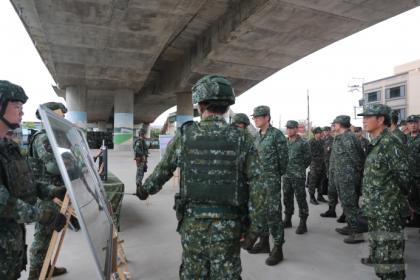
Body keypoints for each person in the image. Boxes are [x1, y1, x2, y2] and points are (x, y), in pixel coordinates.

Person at [137, 75, 263, 278]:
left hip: (193, 225)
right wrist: (255, 229)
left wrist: (145, 190)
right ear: (227, 104)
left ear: (201, 104)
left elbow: (163, 171)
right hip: (230, 228)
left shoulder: (185, 136)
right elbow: (259, 185)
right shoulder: (242, 139)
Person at [0, 81, 66, 280]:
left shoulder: (8, 146)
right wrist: (43, 215)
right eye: (17, 107)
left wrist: (51, 190)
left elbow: (25, 184)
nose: (21, 113)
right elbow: (4, 203)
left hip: (10, 250)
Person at [358, 104, 409, 280]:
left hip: (388, 213)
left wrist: (391, 199)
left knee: (391, 261)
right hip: (375, 210)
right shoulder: (376, 142)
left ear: (381, 120)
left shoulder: (390, 142)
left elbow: (405, 178)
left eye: (368, 117)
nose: (363, 120)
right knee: (381, 257)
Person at [27, 102, 69, 279]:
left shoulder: (54, 137)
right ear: (49, 116)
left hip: (54, 192)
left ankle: (48, 267)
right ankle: (35, 275)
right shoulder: (43, 138)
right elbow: (53, 166)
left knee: (51, 234)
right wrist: (73, 161)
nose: (63, 119)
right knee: (42, 238)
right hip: (46, 195)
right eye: (60, 115)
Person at [244, 105, 288, 265]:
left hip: (271, 182)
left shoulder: (277, 135)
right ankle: (264, 243)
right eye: (254, 117)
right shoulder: (256, 137)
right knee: (259, 213)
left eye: (258, 117)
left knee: (273, 214)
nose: (255, 119)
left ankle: (278, 248)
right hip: (257, 183)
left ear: (267, 118)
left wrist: (274, 175)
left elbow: (284, 161)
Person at [324, 115, 365, 244]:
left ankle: (357, 232)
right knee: (346, 204)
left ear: (340, 124)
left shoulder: (348, 138)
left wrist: (354, 176)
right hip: (341, 177)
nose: (333, 126)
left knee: (351, 205)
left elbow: (358, 159)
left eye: (335, 124)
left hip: (348, 178)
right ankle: (350, 226)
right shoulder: (340, 137)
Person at [283, 120, 311, 234]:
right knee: (286, 198)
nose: (288, 130)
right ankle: (288, 219)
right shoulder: (284, 142)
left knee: (301, 199)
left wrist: (299, 168)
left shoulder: (303, 143)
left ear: (296, 129)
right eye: (287, 128)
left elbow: (308, 159)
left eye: (291, 128)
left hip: (298, 176)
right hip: (286, 175)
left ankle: (303, 223)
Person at [406, 115, 420, 226]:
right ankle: (415, 219)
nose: (413, 125)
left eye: (415, 122)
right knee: (412, 199)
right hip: (409, 175)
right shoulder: (405, 138)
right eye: (410, 123)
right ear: (407, 125)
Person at [308, 127, 327, 205]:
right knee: (313, 181)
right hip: (314, 165)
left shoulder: (323, 141)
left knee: (321, 181)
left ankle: (320, 196)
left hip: (322, 164)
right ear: (315, 134)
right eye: (319, 133)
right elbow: (310, 154)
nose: (320, 134)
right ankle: (312, 197)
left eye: (321, 133)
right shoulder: (311, 142)